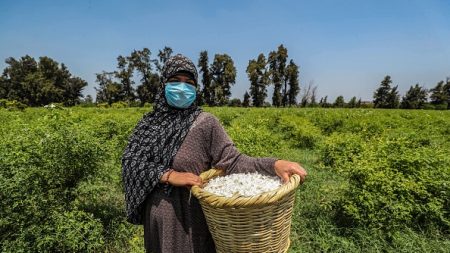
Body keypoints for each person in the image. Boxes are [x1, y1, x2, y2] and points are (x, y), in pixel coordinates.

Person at [121, 54, 307, 253]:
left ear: (196, 88)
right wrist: (168, 175)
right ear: (163, 84)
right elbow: (131, 162)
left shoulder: (205, 123)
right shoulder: (149, 124)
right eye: (175, 81)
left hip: (192, 220)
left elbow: (234, 161)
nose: (182, 88)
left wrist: (274, 165)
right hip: (158, 220)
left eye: (189, 83)